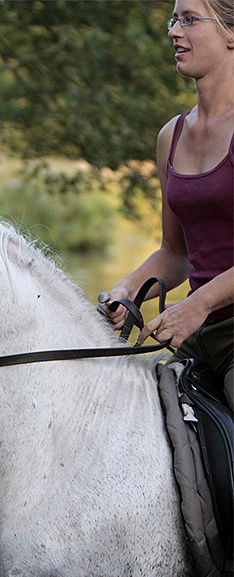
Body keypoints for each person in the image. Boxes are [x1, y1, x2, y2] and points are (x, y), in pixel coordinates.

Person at [99, 0, 234, 410]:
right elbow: (177, 253)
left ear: (231, 33)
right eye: (173, 19)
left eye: (190, 20)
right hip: (196, 340)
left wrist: (198, 305)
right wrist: (127, 290)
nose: (174, 32)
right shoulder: (171, 136)